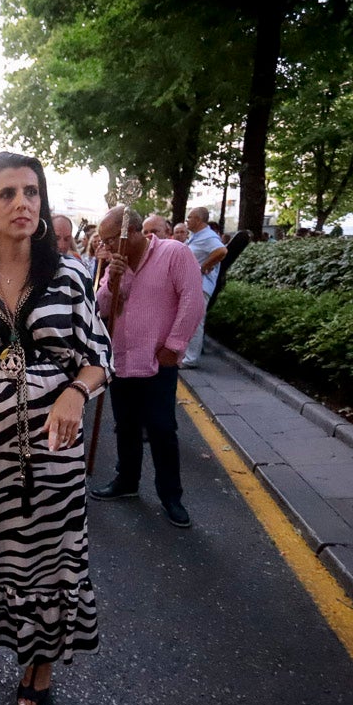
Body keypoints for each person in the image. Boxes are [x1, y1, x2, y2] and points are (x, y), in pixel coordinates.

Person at [0, 151, 112, 705]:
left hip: (53, 458)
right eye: (7, 193)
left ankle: (39, 665)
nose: (22, 203)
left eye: (31, 192)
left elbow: (99, 358)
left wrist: (73, 391)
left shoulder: (70, 279)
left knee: (48, 560)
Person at [91, 205, 203, 527]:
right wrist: (111, 281)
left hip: (157, 361)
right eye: (104, 241)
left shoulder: (174, 253)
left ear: (136, 232)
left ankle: (171, 496)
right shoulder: (116, 266)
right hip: (123, 359)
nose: (108, 246)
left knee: (161, 429)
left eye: (112, 239)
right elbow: (101, 307)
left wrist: (175, 345)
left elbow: (192, 299)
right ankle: (127, 481)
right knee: (125, 426)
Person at [181, 206, 228, 368]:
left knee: (195, 321)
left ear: (198, 220)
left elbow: (222, 251)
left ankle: (191, 359)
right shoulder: (197, 236)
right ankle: (187, 356)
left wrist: (205, 266)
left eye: (189, 218)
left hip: (200, 286)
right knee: (189, 320)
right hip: (193, 286)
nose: (187, 221)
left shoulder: (208, 236)